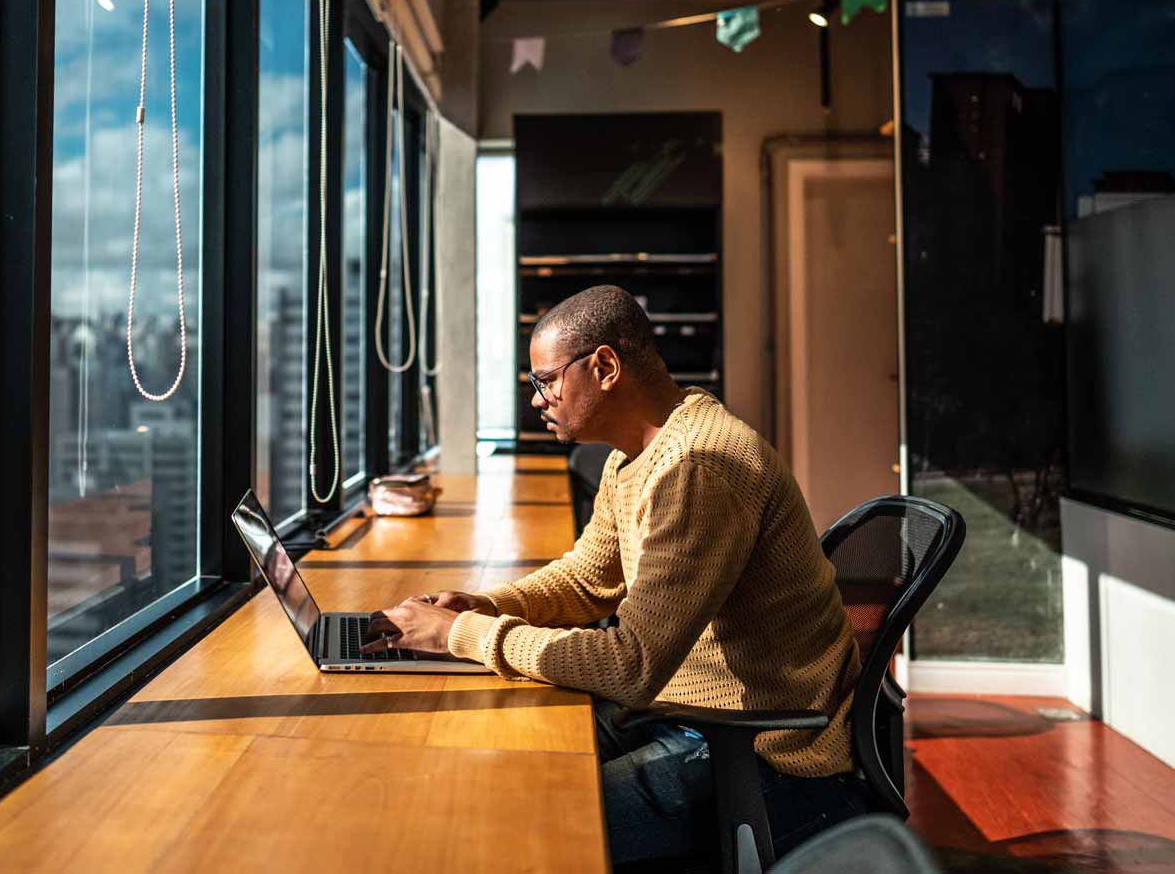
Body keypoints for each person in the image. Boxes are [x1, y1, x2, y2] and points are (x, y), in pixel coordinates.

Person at [362, 284, 869, 866]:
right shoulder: (633, 457)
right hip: (683, 713)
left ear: (604, 366)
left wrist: (459, 637)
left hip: (763, 754)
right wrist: (485, 606)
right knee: (495, 763)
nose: (537, 401)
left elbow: (632, 665)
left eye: (545, 381)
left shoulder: (699, 467)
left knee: (519, 826)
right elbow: (587, 579)